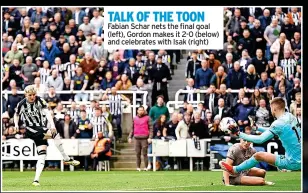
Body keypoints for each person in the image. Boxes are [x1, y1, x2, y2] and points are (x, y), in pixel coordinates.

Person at [14, 85, 80, 186]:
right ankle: (66, 158)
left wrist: (52, 125)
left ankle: (36, 180)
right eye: (30, 95)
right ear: (26, 95)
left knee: (42, 154)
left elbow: (47, 113)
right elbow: (16, 114)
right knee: (55, 135)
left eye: (34, 94)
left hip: (40, 129)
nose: (32, 96)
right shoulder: (21, 104)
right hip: (31, 129)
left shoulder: (40, 100)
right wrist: (16, 125)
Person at [220, 97, 301, 177]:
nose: (270, 110)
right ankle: (234, 169)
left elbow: (260, 139)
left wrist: (238, 133)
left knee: (258, 155)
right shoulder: (291, 117)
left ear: (274, 109)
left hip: (292, 161)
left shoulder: (278, 123)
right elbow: (274, 130)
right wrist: (257, 128)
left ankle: (234, 170)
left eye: (271, 108)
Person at [128, 106, 153, 171]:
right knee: (137, 153)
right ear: (137, 111)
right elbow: (132, 129)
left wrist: (150, 137)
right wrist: (130, 137)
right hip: (136, 138)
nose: (141, 111)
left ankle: (146, 167)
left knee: (145, 153)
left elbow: (151, 128)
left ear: (144, 111)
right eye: (139, 110)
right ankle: (138, 167)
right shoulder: (134, 118)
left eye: (142, 110)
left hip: (145, 138)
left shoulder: (148, 118)